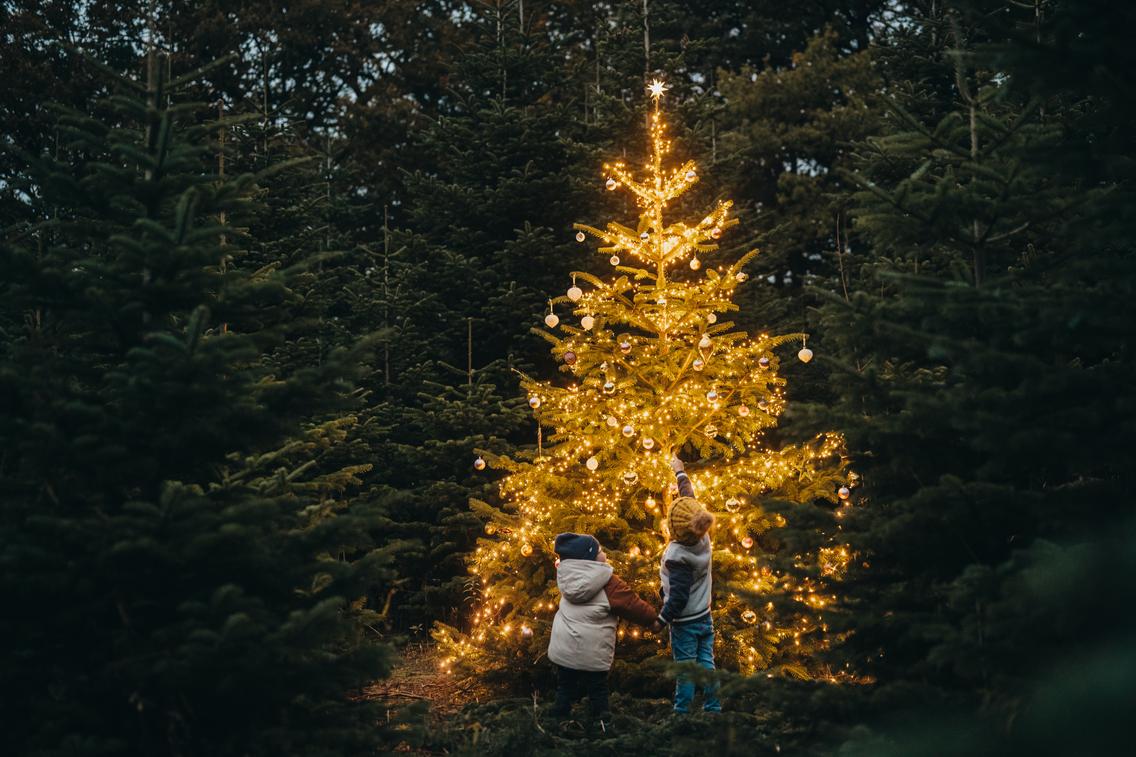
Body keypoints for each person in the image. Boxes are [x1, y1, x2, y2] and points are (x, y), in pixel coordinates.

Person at [547, 532, 661, 723]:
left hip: (565, 646)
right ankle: (601, 717)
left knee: (565, 685)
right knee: (597, 686)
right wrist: (653, 620)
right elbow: (631, 604)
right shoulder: (608, 581)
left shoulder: (566, 575)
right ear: (590, 559)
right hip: (593, 649)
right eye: (600, 551)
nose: (604, 554)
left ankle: (560, 710)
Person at [659, 455, 722, 713]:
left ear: (674, 529)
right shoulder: (702, 536)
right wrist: (680, 473)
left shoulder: (677, 557)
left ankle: (681, 714)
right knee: (707, 664)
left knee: (685, 669)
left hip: (685, 621)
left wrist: (662, 619)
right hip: (704, 615)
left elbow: (678, 597)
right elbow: (690, 500)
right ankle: (713, 708)